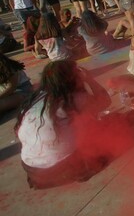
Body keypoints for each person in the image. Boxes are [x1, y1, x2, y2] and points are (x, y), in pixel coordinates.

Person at [15, 60, 111, 189]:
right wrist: (89, 79)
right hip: (64, 168)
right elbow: (105, 101)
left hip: (33, 171)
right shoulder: (72, 99)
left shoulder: (34, 100)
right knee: (110, 128)